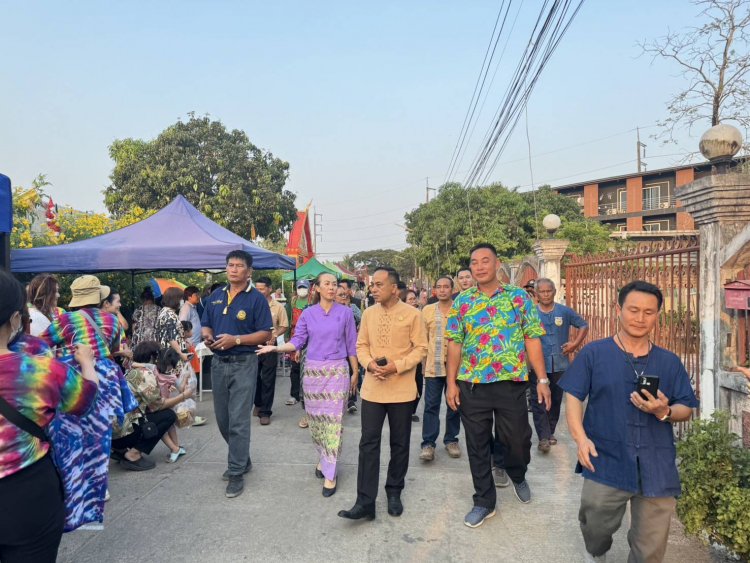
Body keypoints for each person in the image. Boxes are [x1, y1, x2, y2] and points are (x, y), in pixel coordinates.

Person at [559, 281, 698, 563]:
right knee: (594, 518)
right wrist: (580, 438)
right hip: (606, 455)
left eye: (649, 312)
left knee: (651, 546)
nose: (640, 318)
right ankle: (597, 552)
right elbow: (573, 395)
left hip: (656, 461)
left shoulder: (669, 362)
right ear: (618, 310)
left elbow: (686, 407)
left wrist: (664, 411)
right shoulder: (594, 353)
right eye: (633, 310)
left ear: (657, 315)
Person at [445, 243, 551, 528]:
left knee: (517, 439)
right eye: (474, 262)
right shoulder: (462, 301)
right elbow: (454, 343)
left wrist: (542, 379)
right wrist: (451, 383)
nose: (479, 266)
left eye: (485, 261)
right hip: (473, 385)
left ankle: (517, 473)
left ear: (497, 264)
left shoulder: (518, 298)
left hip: (511, 383)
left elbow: (532, 337)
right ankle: (483, 501)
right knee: (477, 444)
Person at [0, 271, 98, 563]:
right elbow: (84, 400)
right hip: (26, 496)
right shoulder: (41, 370)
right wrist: (87, 363)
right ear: (16, 319)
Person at [338, 267, 427, 521]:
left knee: (399, 443)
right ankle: (365, 501)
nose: (373, 289)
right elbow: (361, 345)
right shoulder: (368, 313)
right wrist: (369, 364)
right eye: (372, 285)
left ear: (393, 288)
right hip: (373, 389)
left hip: (402, 390)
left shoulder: (412, 314)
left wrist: (395, 367)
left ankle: (394, 491)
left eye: (378, 285)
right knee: (368, 444)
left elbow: (421, 349)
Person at [258, 272, 358, 497]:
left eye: (334, 284)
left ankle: (331, 473)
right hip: (313, 373)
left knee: (334, 422)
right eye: (327, 284)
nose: (332, 288)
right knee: (317, 423)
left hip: (337, 371)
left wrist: (355, 372)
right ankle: (323, 459)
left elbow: (352, 344)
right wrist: (275, 348)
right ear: (317, 289)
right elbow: (297, 342)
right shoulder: (307, 314)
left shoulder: (346, 313)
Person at [201, 250, 273, 499]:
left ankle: (235, 473)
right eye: (230, 265)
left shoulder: (256, 299)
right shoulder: (216, 296)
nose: (233, 269)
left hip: (244, 362)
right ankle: (243, 459)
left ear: (249, 271)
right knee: (223, 420)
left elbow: (265, 333)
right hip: (219, 363)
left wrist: (237, 339)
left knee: (239, 421)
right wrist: (207, 335)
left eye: (239, 266)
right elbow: (206, 322)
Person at [112, 341, 194, 469]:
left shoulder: (131, 369)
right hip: (125, 432)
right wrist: (183, 396)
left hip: (113, 432)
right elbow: (158, 405)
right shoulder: (146, 374)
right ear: (152, 358)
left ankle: (120, 449)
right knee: (168, 416)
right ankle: (133, 454)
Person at [532, 278, 588, 453]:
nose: (546, 294)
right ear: (536, 294)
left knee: (555, 400)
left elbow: (583, 325)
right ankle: (543, 437)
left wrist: (575, 344)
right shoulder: (531, 314)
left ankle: (550, 431)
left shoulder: (564, 312)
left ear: (555, 292)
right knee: (538, 401)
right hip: (536, 365)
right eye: (542, 291)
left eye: (549, 291)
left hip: (560, 365)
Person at [419, 275, 462, 462]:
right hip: (433, 366)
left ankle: (451, 440)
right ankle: (428, 443)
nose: (443, 290)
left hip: (458, 367)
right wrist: (422, 365)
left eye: (446, 286)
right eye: (439, 287)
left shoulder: (461, 309)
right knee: (431, 406)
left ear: (452, 289)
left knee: (455, 405)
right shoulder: (427, 311)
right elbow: (422, 339)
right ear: (434, 290)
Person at [253, 276, 289, 425]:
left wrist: (274, 336)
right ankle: (258, 403)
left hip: (270, 346)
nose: (259, 291)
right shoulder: (251, 304)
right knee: (254, 377)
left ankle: (265, 412)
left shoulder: (278, 307)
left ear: (269, 289)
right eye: (257, 288)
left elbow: (284, 325)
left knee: (268, 379)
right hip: (253, 346)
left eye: (261, 289)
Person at [285, 280, 311, 427]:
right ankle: (295, 394)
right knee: (295, 368)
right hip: (296, 337)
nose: (302, 289)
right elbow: (289, 321)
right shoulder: (292, 302)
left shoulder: (312, 302)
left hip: (310, 339)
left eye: (304, 287)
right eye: (300, 287)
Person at [335, 284, 362, 414]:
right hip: (336, 351)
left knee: (352, 371)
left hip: (350, 346)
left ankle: (351, 400)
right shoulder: (328, 312)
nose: (343, 297)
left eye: (344, 295)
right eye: (340, 295)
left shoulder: (352, 308)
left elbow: (362, 320)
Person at [403, 289, 423, 422]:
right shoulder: (401, 317)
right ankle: (405, 412)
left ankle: (412, 411)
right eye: (410, 299)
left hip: (417, 359)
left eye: (414, 298)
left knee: (419, 386)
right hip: (403, 359)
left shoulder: (421, 315)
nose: (413, 301)